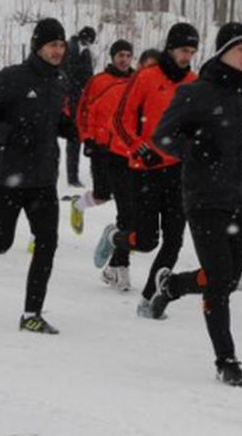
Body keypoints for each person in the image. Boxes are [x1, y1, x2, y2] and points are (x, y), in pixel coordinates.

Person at [147, 22, 242, 387]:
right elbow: (162, 135)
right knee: (218, 281)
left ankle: (172, 286)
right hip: (203, 196)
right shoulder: (196, 92)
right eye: (241, 49)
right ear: (223, 53)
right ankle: (226, 361)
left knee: (228, 279)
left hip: (239, 196)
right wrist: (193, 148)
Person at [0, 19, 73, 334]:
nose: (58, 51)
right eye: (52, 45)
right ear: (38, 46)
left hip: (44, 178)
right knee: (0, 242)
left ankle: (31, 313)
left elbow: (54, 118)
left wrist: (66, 127)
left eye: (62, 45)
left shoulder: (61, 80)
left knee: (47, 243)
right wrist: (10, 135)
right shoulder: (12, 77)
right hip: (7, 177)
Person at [93, 23, 199, 316]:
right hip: (145, 169)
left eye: (191, 52)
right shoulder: (146, 77)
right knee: (146, 240)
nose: (186, 57)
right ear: (170, 49)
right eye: (182, 50)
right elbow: (120, 120)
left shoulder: (193, 82)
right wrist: (140, 149)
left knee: (174, 239)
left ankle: (148, 300)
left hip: (178, 171)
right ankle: (114, 236)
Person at [72, 39, 136, 290]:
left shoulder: (136, 81)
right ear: (112, 57)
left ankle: (118, 262)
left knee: (127, 206)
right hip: (101, 147)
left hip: (126, 151)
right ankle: (79, 205)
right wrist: (86, 138)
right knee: (102, 194)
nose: (124, 59)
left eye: (128, 55)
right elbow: (83, 110)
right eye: (120, 55)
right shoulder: (98, 81)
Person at [63, 25, 97, 187]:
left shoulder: (81, 50)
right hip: (72, 99)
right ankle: (72, 176)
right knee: (74, 137)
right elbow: (70, 73)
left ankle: (75, 175)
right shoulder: (72, 49)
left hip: (80, 99)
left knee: (78, 137)